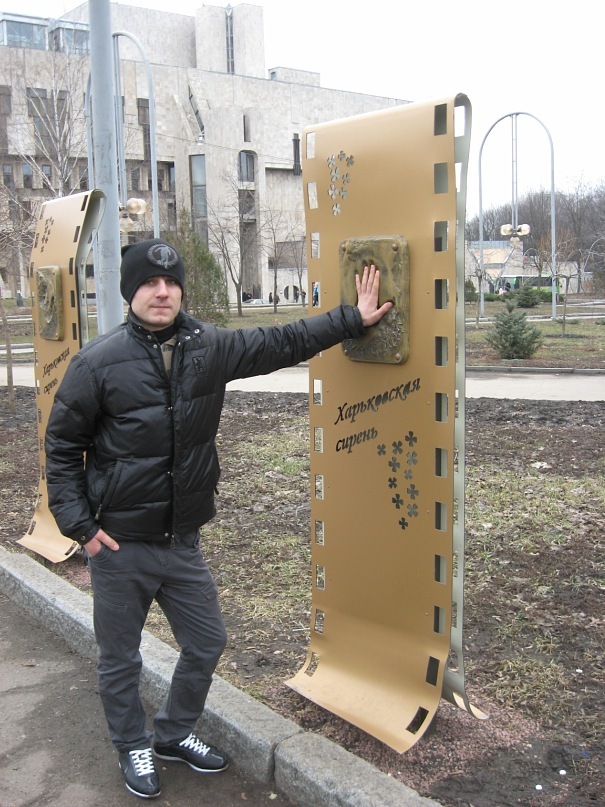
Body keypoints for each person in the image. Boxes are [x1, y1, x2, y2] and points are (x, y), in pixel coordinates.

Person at [44, 238, 393, 800]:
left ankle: (172, 733)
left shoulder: (210, 347)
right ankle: (132, 743)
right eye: (149, 283)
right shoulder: (97, 363)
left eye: (171, 282)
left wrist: (352, 318)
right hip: (118, 544)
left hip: (181, 541)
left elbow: (283, 340)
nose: (162, 292)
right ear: (130, 292)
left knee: (207, 642)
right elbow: (62, 448)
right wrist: (81, 527)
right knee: (120, 658)